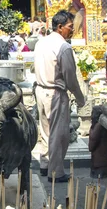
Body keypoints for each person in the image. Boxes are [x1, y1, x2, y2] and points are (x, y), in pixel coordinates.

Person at [34, 10, 86, 183]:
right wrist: (80, 98)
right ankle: (55, 172)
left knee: (46, 131)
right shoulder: (63, 47)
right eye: (70, 27)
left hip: (41, 91)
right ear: (60, 27)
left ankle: (45, 164)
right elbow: (70, 78)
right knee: (59, 134)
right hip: (55, 93)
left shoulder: (41, 43)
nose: (72, 30)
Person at [88, 106, 107, 179]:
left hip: (99, 163)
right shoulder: (104, 125)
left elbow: (91, 146)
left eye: (93, 113)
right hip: (103, 162)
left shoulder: (98, 126)